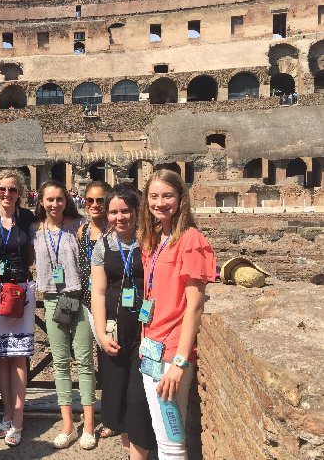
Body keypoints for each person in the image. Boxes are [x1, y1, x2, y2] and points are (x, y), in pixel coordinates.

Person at [137, 170, 216, 459]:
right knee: (164, 435)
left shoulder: (191, 240)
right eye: (154, 196)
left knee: (171, 439)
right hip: (152, 348)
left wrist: (180, 363)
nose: (160, 202)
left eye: (167, 195)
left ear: (181, 198)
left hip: (171, 354)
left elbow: (194, 306)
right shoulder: (157, 236)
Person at [90, 184, 157, 459]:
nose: (120, 217)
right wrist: (100, 335)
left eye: (125, 211)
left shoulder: (151, 240)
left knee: (139, 400)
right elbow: (98, 291)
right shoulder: (103, 245)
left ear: (136, 211)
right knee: (117, 399)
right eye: (114, 212)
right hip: (114, 333)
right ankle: (131, 453)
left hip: (147, 332)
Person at [31, 180, 96, 450]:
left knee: (83, 360)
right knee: (59, 362)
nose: (55, 204)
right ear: (42, 203)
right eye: (50, 200)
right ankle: (68, 425)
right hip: (51, 298)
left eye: (59, 199)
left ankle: (89, 425)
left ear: (66, 201)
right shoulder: (35, 230)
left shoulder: (78, 226)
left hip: (77, 297)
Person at [0, 169, 35, 447]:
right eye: (2, 189)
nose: (7, 194)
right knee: (1, 358)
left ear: (20, 193)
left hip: (21, 290)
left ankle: (19, 419)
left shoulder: (26, 218)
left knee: (18, 358)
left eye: (12, 190)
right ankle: (6, 414)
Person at [76, 180, 112, 346]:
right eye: (90, 200)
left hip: (110, 297)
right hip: (88, 299)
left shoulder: (115, 230)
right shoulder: (82, 231)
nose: (94, 204)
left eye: (100, 200)